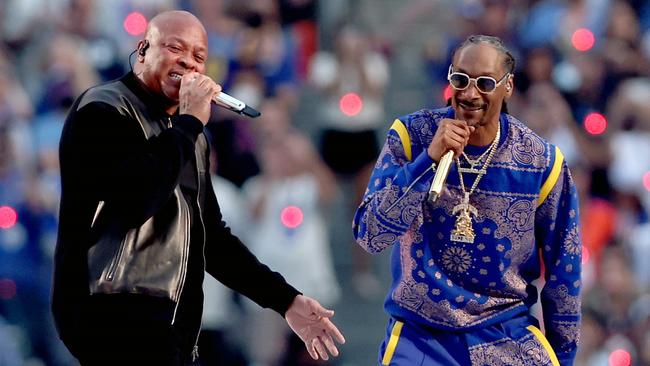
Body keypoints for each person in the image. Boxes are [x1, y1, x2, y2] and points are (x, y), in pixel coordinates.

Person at [51, 10, 344, 366]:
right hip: (112, 314)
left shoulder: (189, 136)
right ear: (142, 50)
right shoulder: (102, 109)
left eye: (199, 56)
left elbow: (212, 239)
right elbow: (135, 200)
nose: (188, 62)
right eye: (176, 48)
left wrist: (285, 300)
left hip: (172, 326)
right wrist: (189, 123)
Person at [352, 35, 581, 365]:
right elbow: (369, 235)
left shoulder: (542, 163)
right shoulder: (411, 136)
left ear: (508, 86)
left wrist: (565, 356)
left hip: (507, 333)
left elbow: (565, 274)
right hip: (421, 333)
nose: (470, 93)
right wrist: (427, 162)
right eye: (460, 79)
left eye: (485, 83)